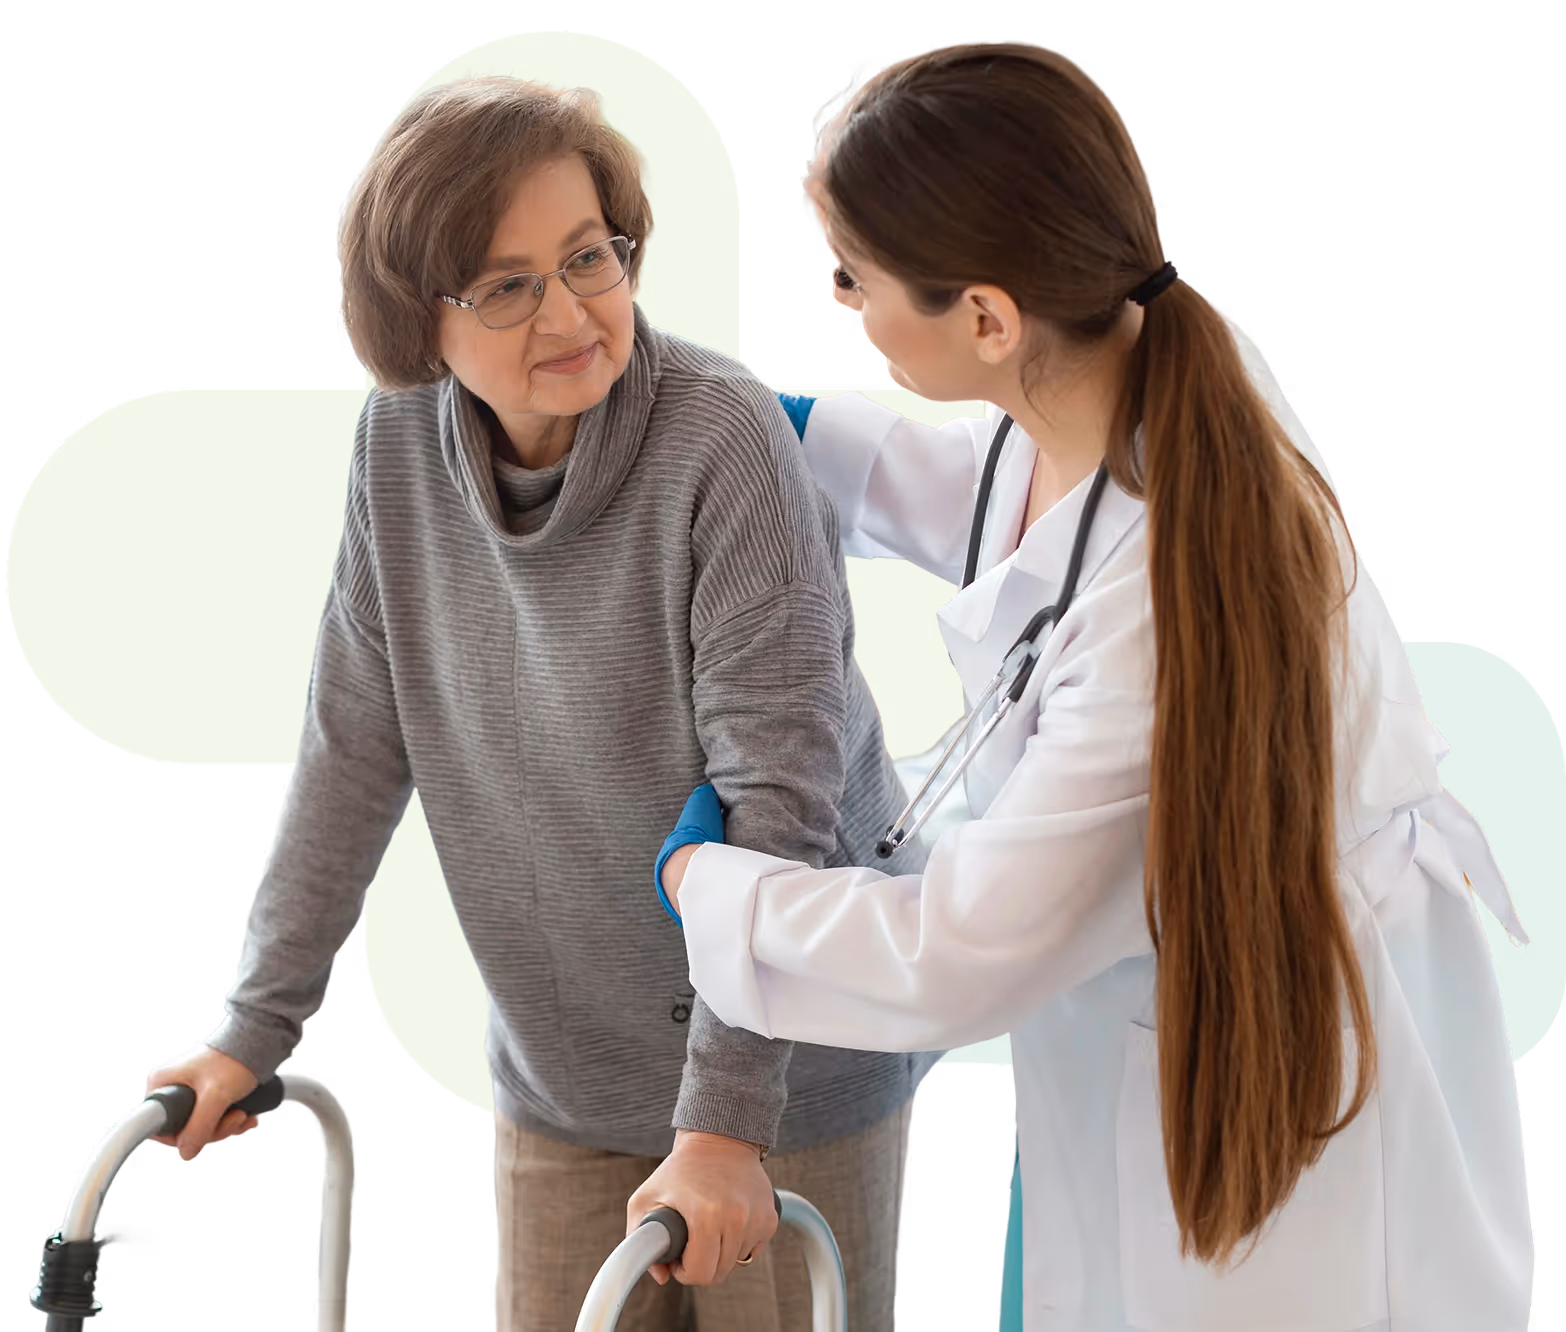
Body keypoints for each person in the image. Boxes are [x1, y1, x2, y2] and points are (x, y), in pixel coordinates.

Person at [647, 41, 1536, 1332]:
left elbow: (954, 954)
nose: (840, 301)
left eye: (853, 277)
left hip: (1268, 1087)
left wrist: (708, 888)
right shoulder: (1158, 358)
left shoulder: (1159, 625)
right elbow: (1018, 513)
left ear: (989, 319)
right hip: (1153, 1032)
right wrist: (777, 434)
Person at [140, 74, 945, 1332]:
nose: (569, 311)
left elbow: (776, 800)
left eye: (590, 257)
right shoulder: (396, 448)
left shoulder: (721, 438)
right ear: (417, 318)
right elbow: (355, 745)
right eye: (507, 284)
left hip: (785, 1081)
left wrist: (728, 1125)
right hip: (563, 1079)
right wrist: (256, 1026)